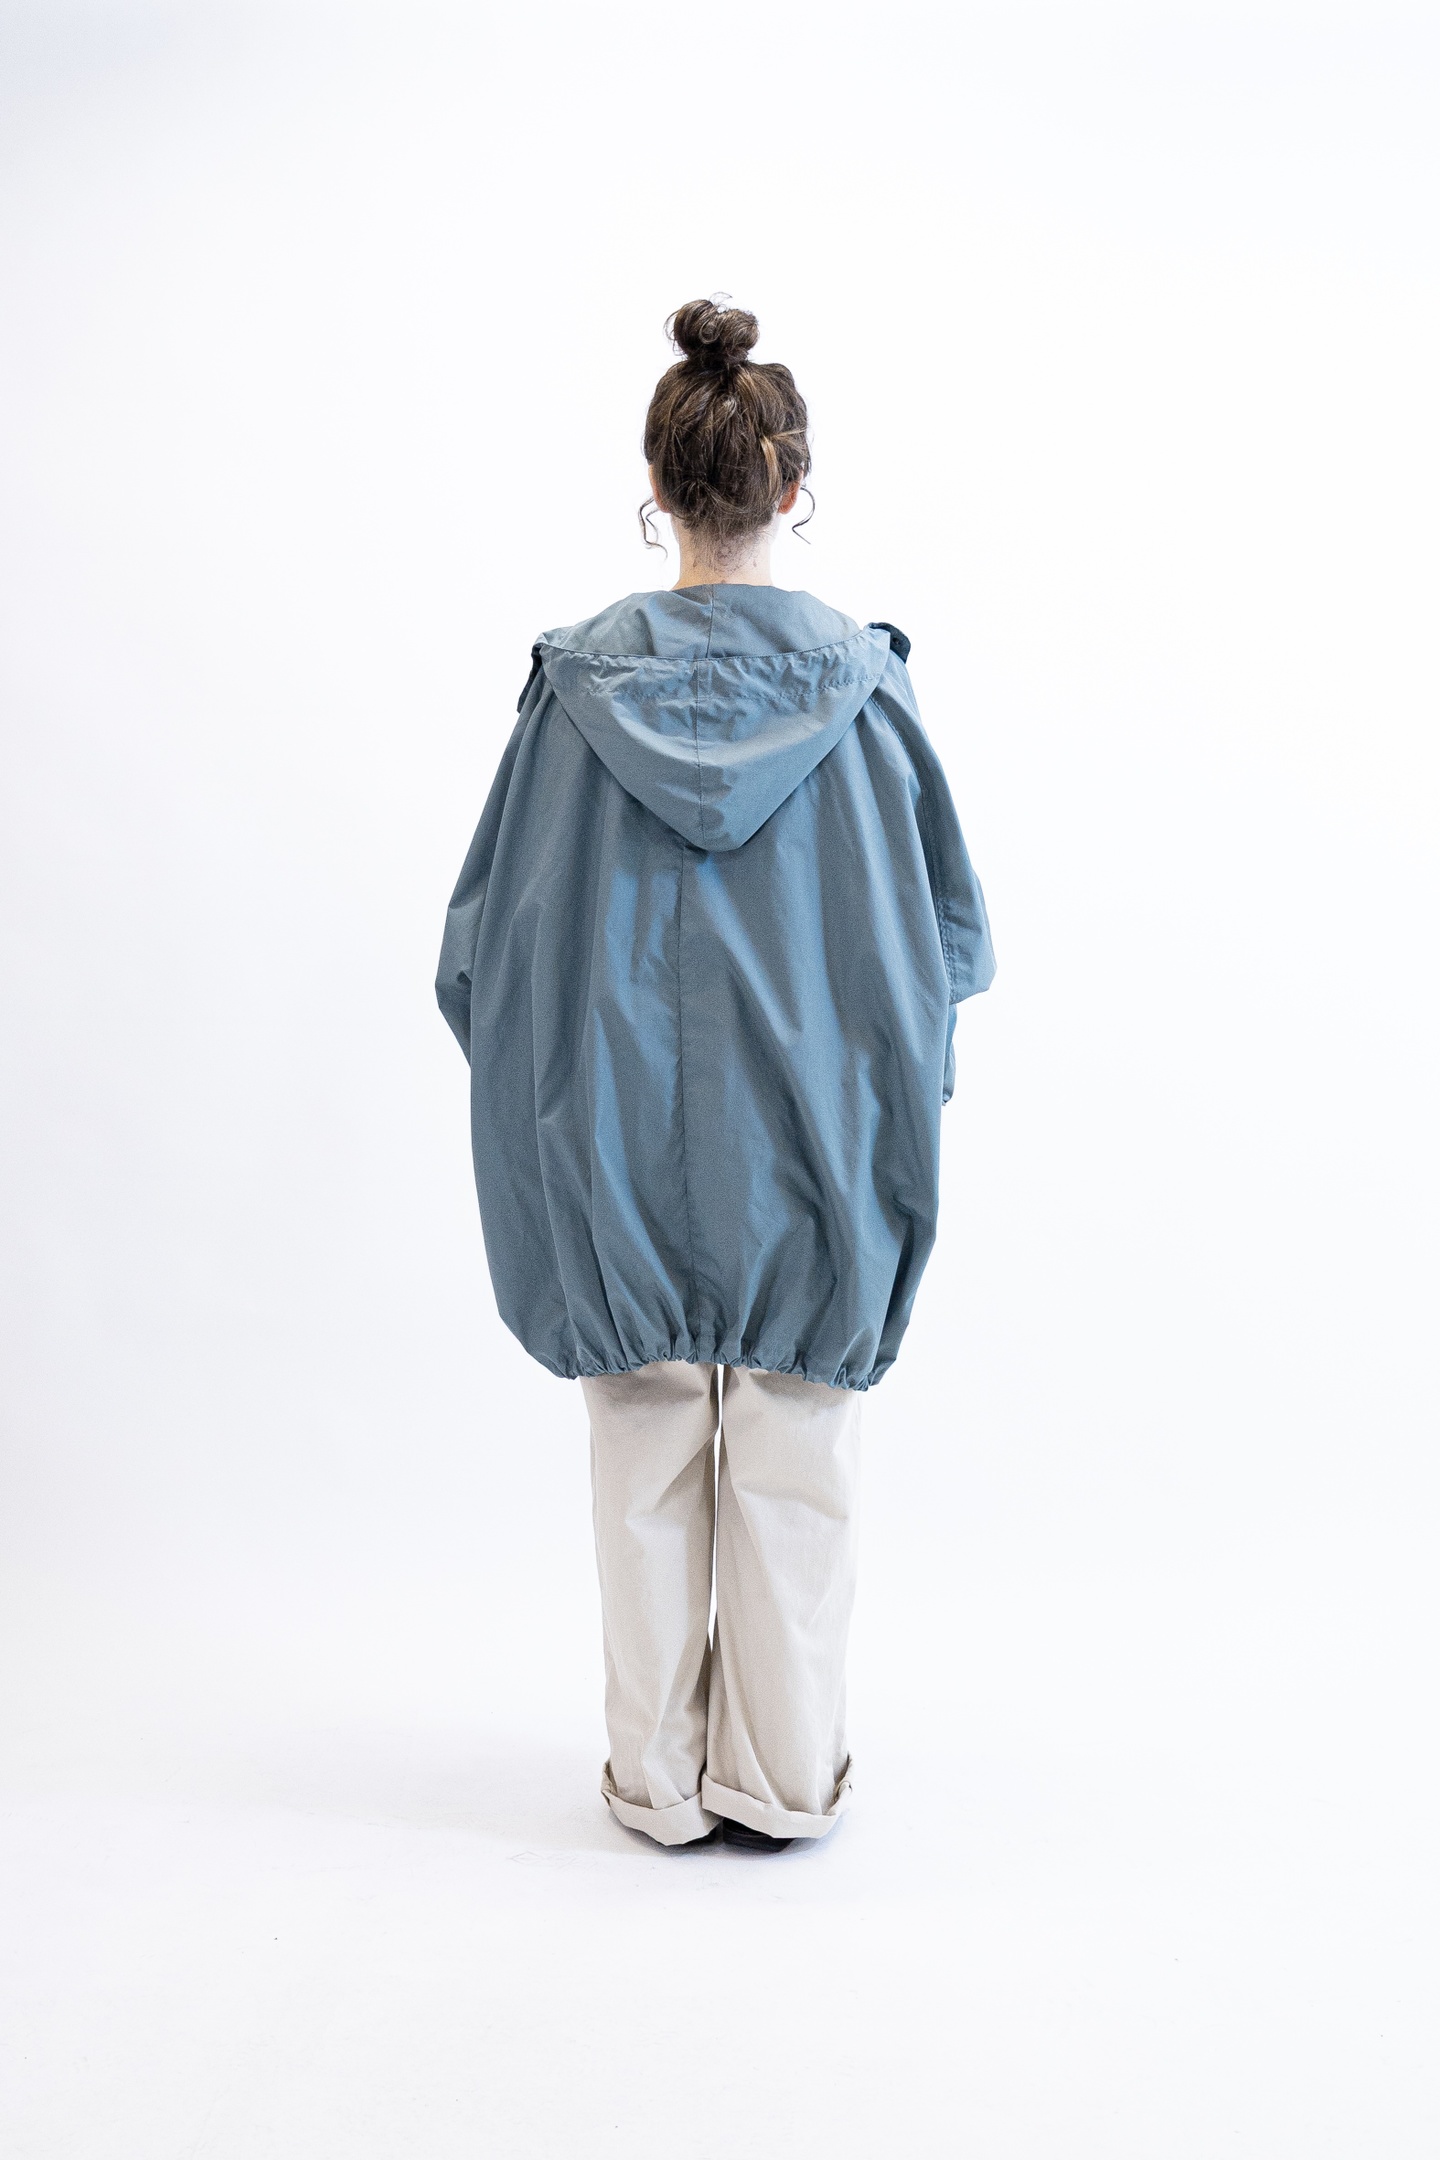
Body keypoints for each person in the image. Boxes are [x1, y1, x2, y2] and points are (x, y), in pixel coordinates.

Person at [436, 298, 995, 1853]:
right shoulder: (869, 700)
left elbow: (478, 956)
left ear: (658, 490)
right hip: (820, 1151)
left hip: (616, 1154)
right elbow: (951, 946)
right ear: (792, 489)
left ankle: (658, 1783)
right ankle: (784, 1779)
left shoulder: (569, 699)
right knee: (799, 1464)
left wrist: (561, 1113)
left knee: (640, 1457)